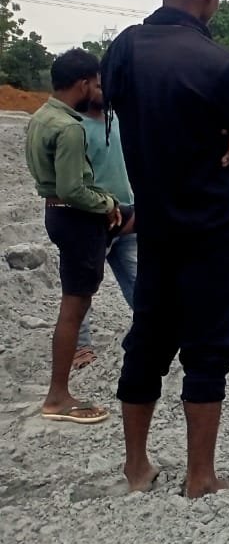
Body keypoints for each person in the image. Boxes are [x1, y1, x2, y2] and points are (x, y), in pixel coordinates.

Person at [102, 0, 229, 496]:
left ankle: (136, 469)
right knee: (207, 349)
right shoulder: (221, 64)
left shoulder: (123, 50)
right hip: (211, 231)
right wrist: (228, 143)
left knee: (146, 338)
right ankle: (200, 477)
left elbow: (124, 110)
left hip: (155, 229)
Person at [23, 48, 122, 424]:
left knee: (74, 305)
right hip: (76, 220)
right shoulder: (71, 127)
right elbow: (73, 189)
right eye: (95, 83)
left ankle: (58, 393)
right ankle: (58, 396)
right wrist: (108, 202)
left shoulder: (42, 117)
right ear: (83, 84)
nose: (98, 89)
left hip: (57, 215)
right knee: (74, 308)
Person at [73, 91, 139, 370]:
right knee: (81, 288)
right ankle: (80, 347)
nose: (104, 90)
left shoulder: (117, 120)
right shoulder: (75, 129)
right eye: (98, 85)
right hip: (92, 218)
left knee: (140, 279)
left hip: (127, 215)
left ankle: (153, 328)